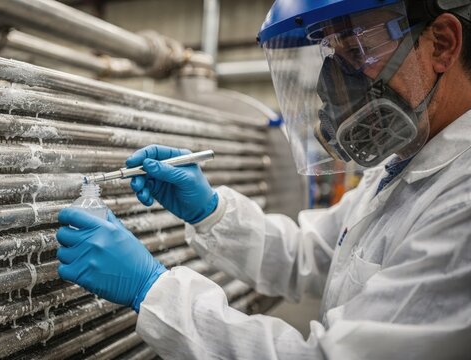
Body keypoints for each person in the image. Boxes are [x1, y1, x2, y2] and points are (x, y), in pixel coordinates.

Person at [56, 0, 471, 358]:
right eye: (332, 53)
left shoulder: (461, 203)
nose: (336, 83)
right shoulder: (403, 162)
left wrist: (153, 290)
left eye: (356, 48)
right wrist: (211, 212)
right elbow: (310, 255)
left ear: (442, 44)